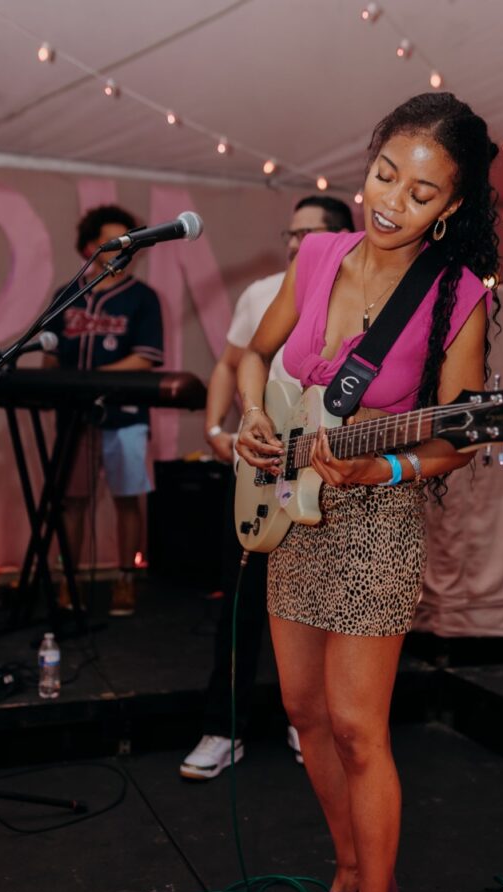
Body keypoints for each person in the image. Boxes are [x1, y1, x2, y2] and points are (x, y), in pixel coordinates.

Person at [236, 93, 501, 892]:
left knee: (358, 729)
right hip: (292, 508)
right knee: (304, 715)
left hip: (376, 520)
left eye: (422, 193)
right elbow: (255, 356)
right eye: (386, 175)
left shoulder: (458, 295)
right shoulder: (316, 254)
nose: (393, 201)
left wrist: (383, 466)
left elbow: (460, 437)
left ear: (452, 208)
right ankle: (349, 873)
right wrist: (255, 416)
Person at [179, 196, 355, 781]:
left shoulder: (358, 293)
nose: (295, 243)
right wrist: (216, 430)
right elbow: (231, 363)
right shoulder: (261, 293)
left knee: (318, 607)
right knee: (241, 605)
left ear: (339, 238)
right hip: (261, 464)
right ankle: (223, 728)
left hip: (323, 469)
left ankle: (306, 722)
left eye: (309, 233)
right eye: (291, 232)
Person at [44, 205, 164, 617]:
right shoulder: (68, 294)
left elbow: (145, 358)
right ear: (90, 246)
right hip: (74, 417)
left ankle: (126, 579)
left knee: (127, 498)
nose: (118, 248)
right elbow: (50, 354)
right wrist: (56, 385)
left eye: (125, 242)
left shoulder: (142, 298)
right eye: (110, 241)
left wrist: (90, 378)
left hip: (124, 415)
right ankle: (68, 581)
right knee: (72, 501)